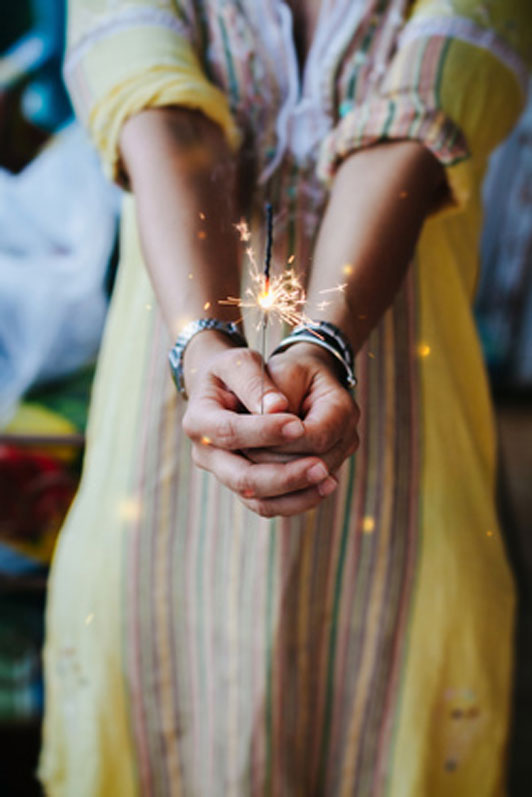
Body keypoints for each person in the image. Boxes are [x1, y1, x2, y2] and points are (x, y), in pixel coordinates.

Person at [40, 1, 531, 794]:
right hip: (163, 473)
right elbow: (162, 120)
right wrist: (203, 342)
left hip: (405, 484)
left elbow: (410, 138)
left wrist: (320, 342)